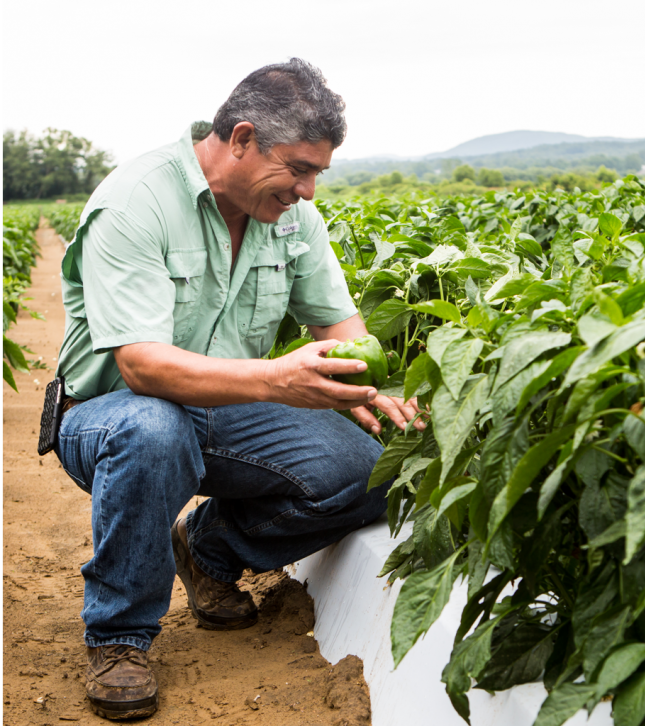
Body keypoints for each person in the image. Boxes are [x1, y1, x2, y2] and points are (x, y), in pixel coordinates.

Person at [53, 58, 421, 721]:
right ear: (243, 137)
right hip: (111, 414)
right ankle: (119, 636)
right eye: (299, 169)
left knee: (370, 470)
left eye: (318, 174)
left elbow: (337, 323)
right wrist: (279, 378)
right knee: (153, 429)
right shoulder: (138, 200)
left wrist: (373, 390)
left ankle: (208, 548)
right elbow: (142, 367)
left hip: (227, 406)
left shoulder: (288, 215)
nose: (308, 191)